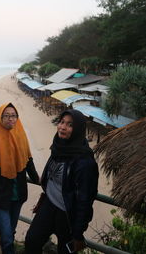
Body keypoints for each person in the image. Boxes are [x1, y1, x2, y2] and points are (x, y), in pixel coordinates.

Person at [25, 109, 99, 254]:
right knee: (31, 241)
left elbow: (85, 200)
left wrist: (78, 233)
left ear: (78, 130)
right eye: (62, 122)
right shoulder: (59, 145)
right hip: (49, 204)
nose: (63, 127)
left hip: (67, 214)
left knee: (64, 251)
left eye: (70, 125)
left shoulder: (85, 162)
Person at [0, 102, 40, 254]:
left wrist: (37, 179)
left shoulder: (21, 136)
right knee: (7, 237)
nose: (10, 119)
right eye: (6, 116)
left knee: (11, 231)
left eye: (13, 116)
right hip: (0, 197)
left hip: (18, 194)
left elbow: (28, 160)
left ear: (17, 118)